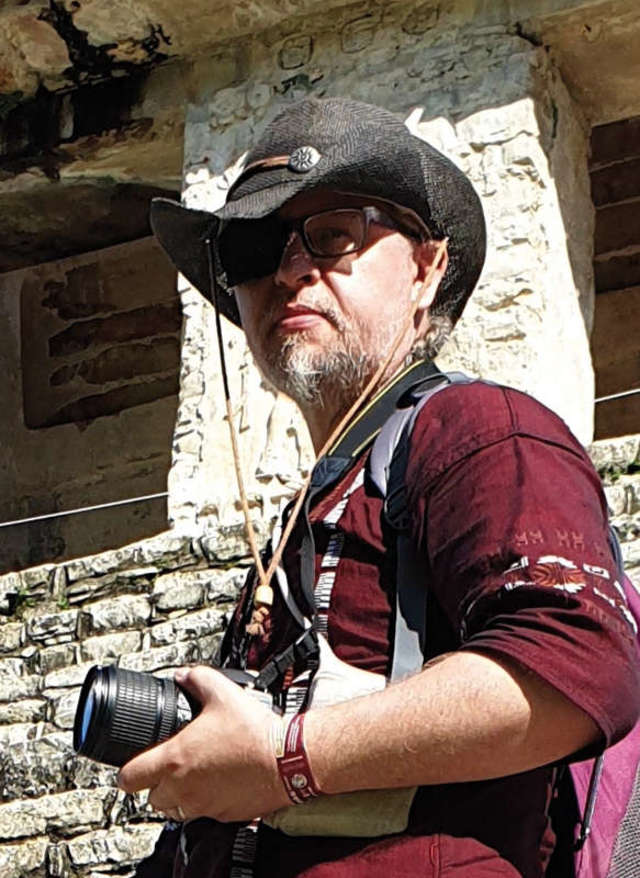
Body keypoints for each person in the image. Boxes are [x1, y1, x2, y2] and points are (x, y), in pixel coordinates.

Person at [119, 98, 640, 878]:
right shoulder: (308, 514)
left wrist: (286, 758)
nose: (290, 270)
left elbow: (576, 666)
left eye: (333, 235)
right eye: (255, 248)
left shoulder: (478, 427)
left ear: (426, 270)